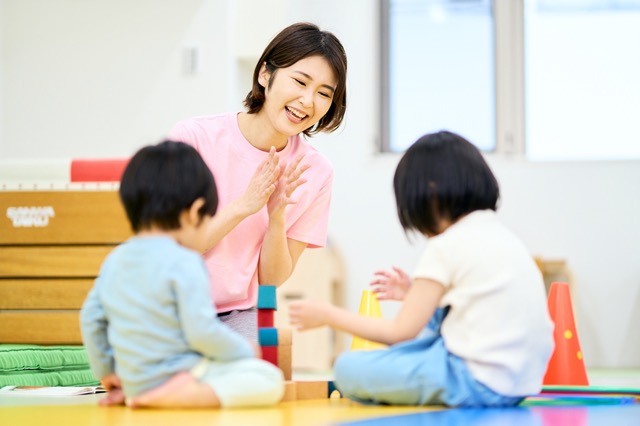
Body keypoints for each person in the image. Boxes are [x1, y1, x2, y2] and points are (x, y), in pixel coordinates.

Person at [288, 131, 554, 407]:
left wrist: (328, 315)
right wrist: (412, 294)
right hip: (521, 383)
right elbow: (476, 310)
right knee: (420, 347)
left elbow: (399, 333)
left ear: (426, 194)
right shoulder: (503, 236)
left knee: (347, 368)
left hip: (474, 381)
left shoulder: (446, 245)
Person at [167, 22, 348, 341]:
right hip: (171, 306)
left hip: (238, 315)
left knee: (254, 382)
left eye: (323, 93)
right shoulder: (194, 138)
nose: (307, 101)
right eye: (300, 81)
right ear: (265, 74)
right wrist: (246, 206)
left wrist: (276, 217)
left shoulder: (316, 172)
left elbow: (272, 280)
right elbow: (176, 247)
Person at [80, 141, 284, 409]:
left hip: (134, 380)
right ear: (195, 212)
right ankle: (183, 398)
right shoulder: (185, 261)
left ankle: (141, 394)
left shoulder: (115, 259)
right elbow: (202, 333)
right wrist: (245, 350)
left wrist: (108, 372)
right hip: (179, 375)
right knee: (269, 379)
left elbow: (91, 319)